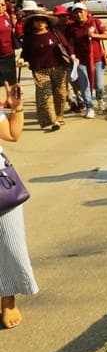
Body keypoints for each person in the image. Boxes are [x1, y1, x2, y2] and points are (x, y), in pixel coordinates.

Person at [0, 80, 38, 329]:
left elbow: (12, 134)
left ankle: (8, 298)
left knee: (10, 243)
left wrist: (18, 107)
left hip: (1, 185)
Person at [20, 4, 76, 130]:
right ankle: (53, 120)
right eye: (37, 20)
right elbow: (26, 51)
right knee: (46, 95)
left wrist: (72, 55)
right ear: (32, 23)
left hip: (58, 67)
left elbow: (66, 45)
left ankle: (59, 116)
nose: (40, 23)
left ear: (47, 22)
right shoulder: (30, 36)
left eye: (42, 20)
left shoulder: (54, 33)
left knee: (61, 93)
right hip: (40, 69)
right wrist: (22, 59)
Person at [64, 3, 107, 118]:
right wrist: (72, 55)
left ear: (86, 11)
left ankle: (100, 99)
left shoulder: (95, 22)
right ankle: (89, 107)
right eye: (76, 12)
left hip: (97, 58)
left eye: (81, 12)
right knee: (84, 85)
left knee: (99, 85)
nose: (79, 15)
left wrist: (94, 35)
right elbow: (69, 43)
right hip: (81, 61)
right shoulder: (71, 27)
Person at [0, 0, 18, 87]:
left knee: (11, 81)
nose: (0, 7)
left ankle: (12, 100)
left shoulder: (7, 17)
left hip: (9, 54)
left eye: (2, 5)